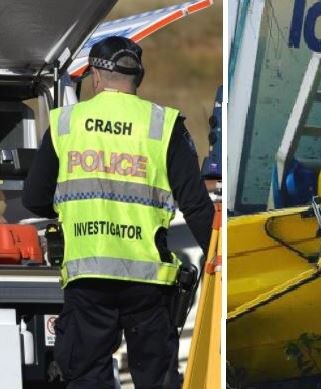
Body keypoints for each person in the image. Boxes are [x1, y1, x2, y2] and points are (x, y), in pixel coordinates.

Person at [22, 36, 214, 389]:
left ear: (96, 76)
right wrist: (221, 260)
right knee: (155, 378)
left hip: (89, 275)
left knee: (87, 375)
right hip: (149, 282)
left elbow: (35, 198)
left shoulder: (66, 122)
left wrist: (77, 208)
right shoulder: (162, 125)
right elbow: (198, 207)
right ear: (137, 78)